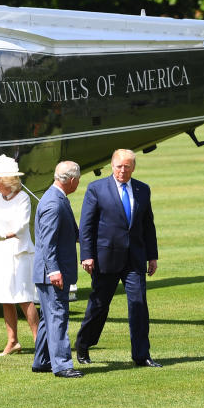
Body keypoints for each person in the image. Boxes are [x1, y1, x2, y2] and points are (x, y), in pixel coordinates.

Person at [75, 149, 160, 368]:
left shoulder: (143, 189)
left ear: (134, 167)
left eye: (127, 166)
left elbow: (147, 225)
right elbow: (87, 226)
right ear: (112, 166)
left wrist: (152, 256)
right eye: (119, 166)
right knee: (99, 306)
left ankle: (141, 355)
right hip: (105, 259)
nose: (123, 170)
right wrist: (87, 255)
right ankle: (83, 344)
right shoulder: (96, 189)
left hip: (134, 259)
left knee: (139, 304)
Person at [31, 160, 83, 378]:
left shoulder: (56, 198)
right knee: (58, 316)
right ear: (71, 180)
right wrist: (54, 271)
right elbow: (48, 242)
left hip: (48, 271)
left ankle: (42, 360)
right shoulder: (54, 203)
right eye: (78, 180)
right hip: (51, 272)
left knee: (48, 317)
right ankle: (62, 365)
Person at [0, 155, 38, 356]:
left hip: (19, 252)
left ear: (7, 180)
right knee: (5, 297)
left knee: (24, 297)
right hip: (1, 252)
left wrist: (1, 236)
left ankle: (38, 340)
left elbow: (21, 226)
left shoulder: (23, 198)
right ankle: (12, 341)